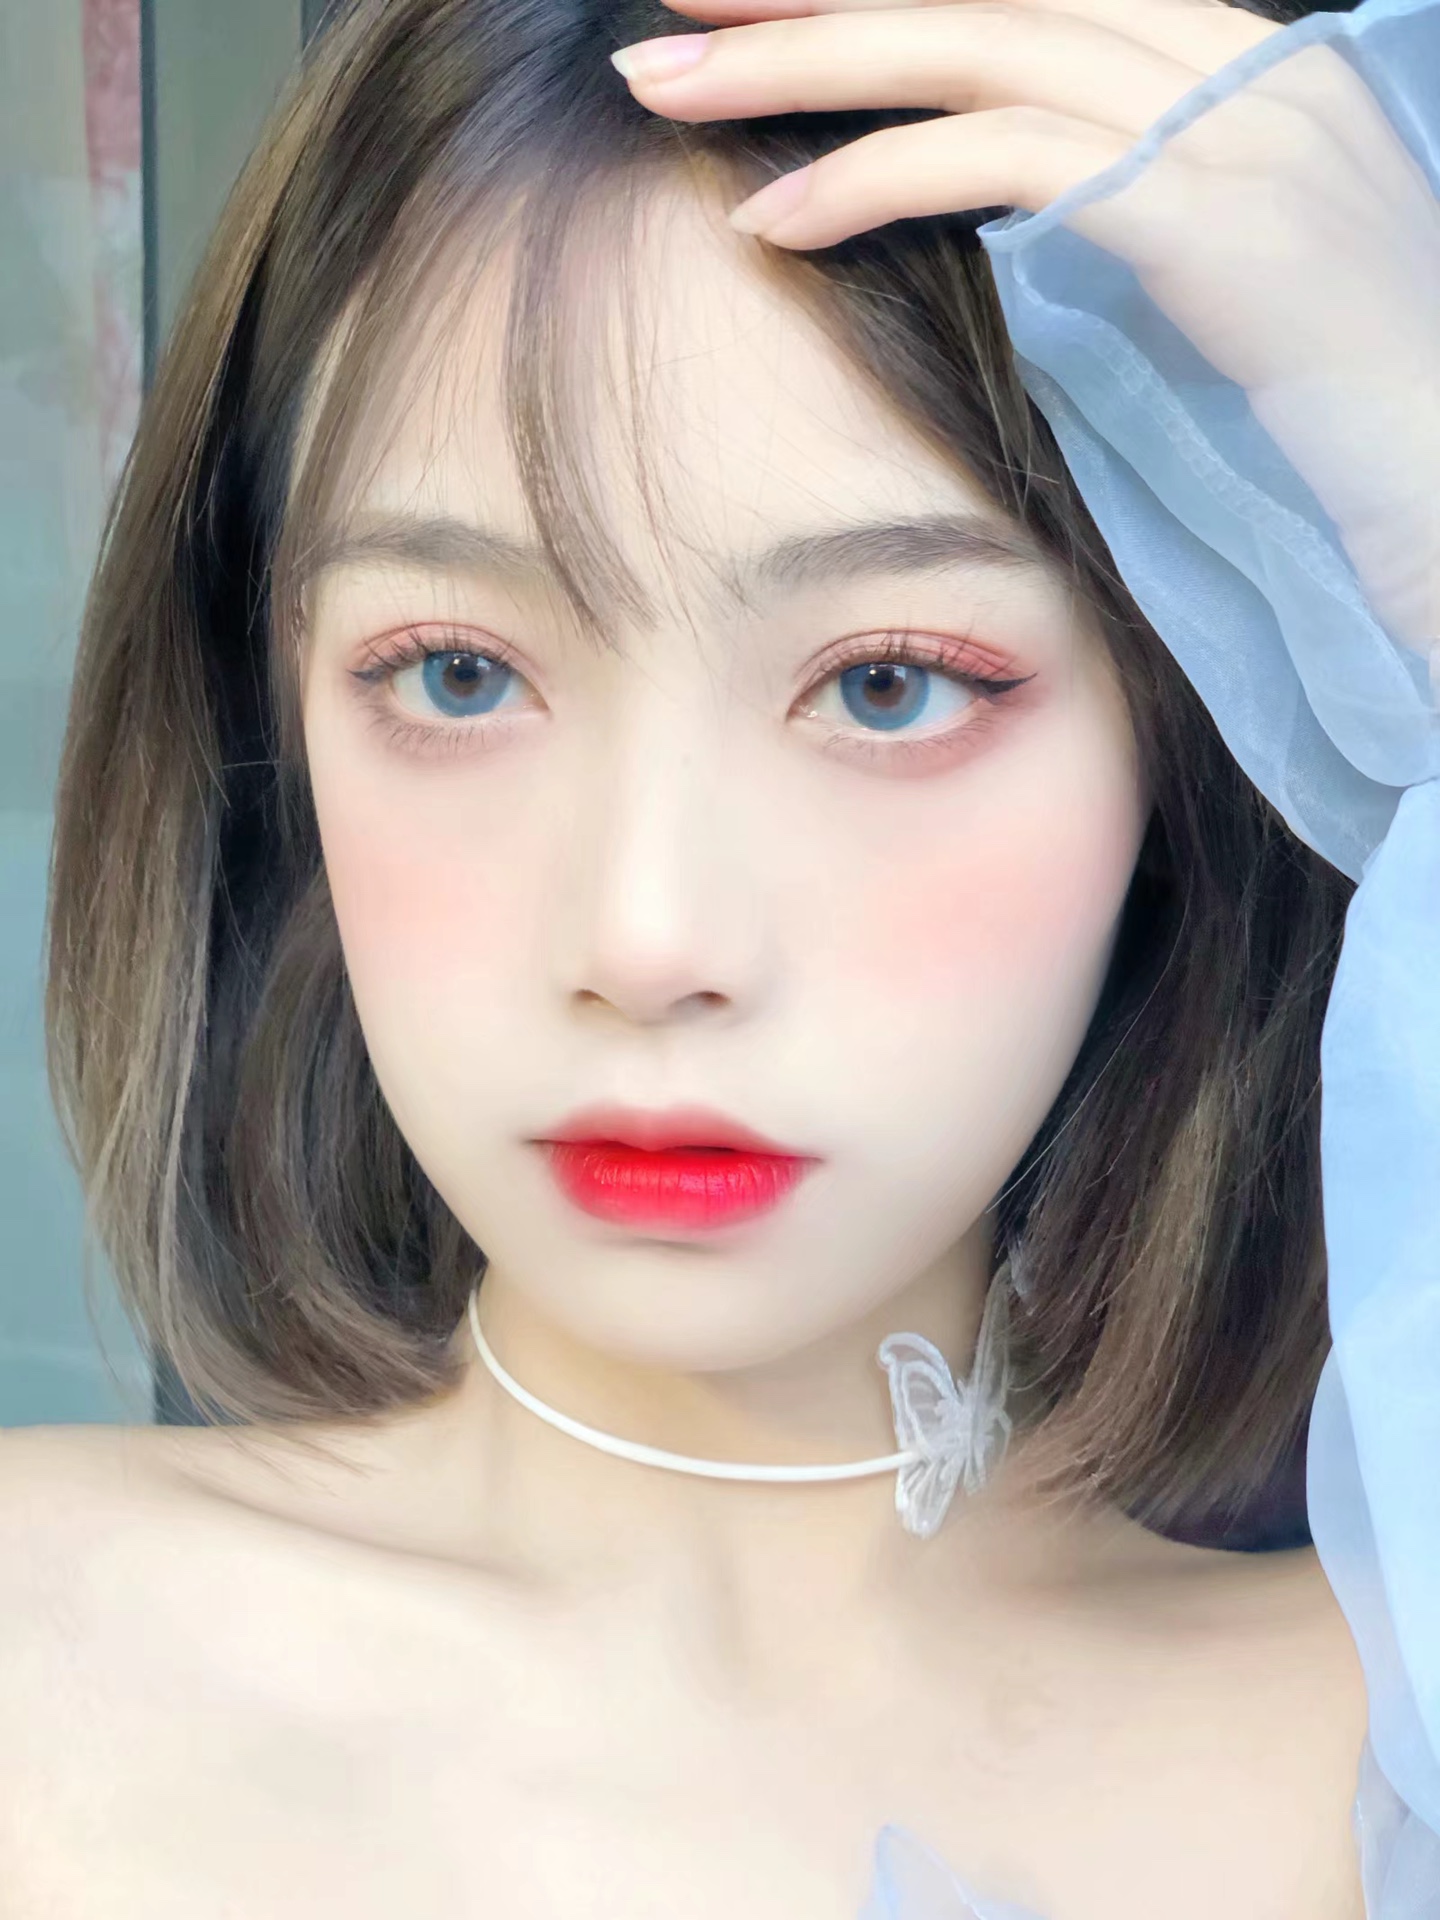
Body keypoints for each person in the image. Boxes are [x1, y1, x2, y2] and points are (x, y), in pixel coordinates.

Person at [3, 0, 1436, 1912]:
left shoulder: (1384, 1749)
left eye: (889, 683)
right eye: (457, 673)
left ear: (1181, 746)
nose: (649, 938)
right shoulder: (41, 1673)